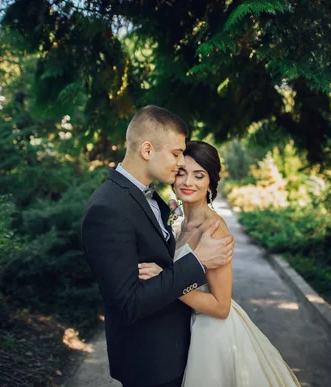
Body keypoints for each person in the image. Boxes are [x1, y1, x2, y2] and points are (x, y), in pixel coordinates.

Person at [81, 105, 236, 387]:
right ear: (148, 150)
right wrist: (197, 261)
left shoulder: (152, 200)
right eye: (177, 154)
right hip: (151, 364)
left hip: (177, 353)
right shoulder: (108, 208)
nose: (180, 164)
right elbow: (127, 304)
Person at [138, 141, 302, 387]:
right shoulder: (180, 221)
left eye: (199, 175)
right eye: (182, 173)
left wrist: (166, 282)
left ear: (210, 182)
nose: (187, 182)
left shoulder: (213, 230)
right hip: (184, 328)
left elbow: (221, 306)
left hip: (212, 332)